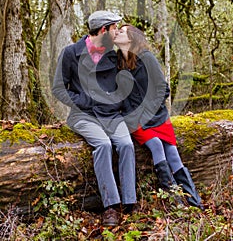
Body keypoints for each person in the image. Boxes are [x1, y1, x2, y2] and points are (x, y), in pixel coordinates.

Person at [52, 12, 137, 227]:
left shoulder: (113, 54)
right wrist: (83, 100)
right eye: (114, 28)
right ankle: (110, 206)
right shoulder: (71, 53)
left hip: (111, 114)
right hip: (83, 115)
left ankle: (129, 201)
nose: (117, 32)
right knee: (103, 144)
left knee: (126, 144)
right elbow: (58, 89)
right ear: (103, 30)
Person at [114, 24, 204, 210]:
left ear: (131, 37)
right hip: (136, 120)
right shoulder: (118, 63)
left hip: (157, 116)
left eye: (121, 31)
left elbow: (164, 89)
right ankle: (176, 203)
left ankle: (195, 203)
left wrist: (147, 112)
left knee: (173, 153)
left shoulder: (147, 58)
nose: (117, 33)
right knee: (155, 144)